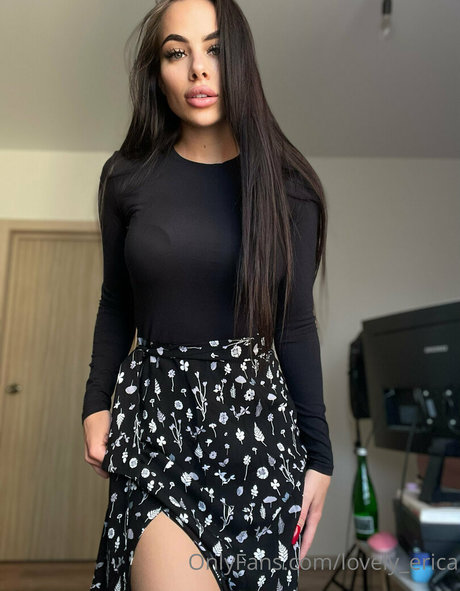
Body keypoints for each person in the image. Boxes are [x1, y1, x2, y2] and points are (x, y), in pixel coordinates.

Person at [82, 0, 334, 589]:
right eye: (177, 52)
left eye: (215, 49)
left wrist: (320, 457)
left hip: (258, 435)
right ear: (158, 73)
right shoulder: (125, 177)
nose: (198, 68)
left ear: (240, 59)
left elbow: (296, 326)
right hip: (157, 425)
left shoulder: (291, 189)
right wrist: (95, 402)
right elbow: (116, 302)